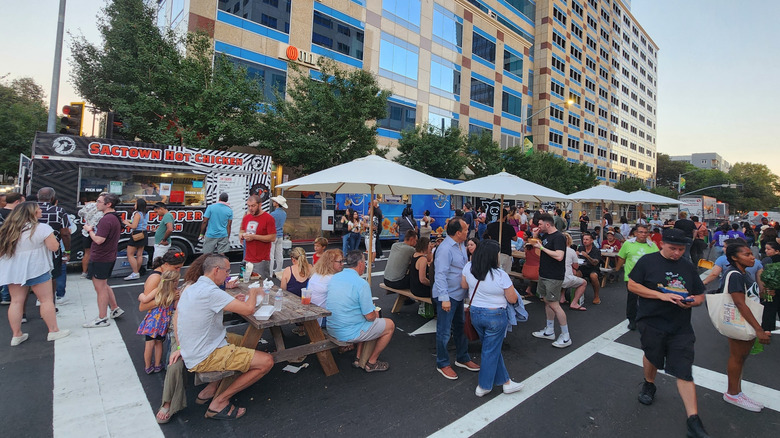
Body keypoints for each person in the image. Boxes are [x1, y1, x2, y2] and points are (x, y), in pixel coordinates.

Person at [627, 228, 709, 438]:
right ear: (662, 244)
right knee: (652, 355)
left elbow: (700, 296)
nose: (677, 253)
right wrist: (659, 296)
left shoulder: (687, 266)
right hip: (651, 321)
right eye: (673, 248)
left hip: (680, 326)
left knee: (684, 368)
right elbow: (633, 285)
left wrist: (690, 302)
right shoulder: (648, 261)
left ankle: (693, 421)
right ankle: (649, 384)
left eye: (681, 249)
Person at [177, 254, 274, 420]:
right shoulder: (211, 292)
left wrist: (232, 300)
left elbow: (208, 308)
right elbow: (249, 309)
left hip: (191, 348)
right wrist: (253, 292)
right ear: (216, 270)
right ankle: (220, 402)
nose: (228, 275)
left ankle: (212, 388)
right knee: (267, 361)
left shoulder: (192, 287)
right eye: (227, 271)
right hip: (205, 355)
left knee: (245, 342)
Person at [0, 202, 70, 346]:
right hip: (37, 267)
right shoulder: (42, 228)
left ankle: (16, 334)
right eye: (37, 208)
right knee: (45, 300)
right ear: (32, 213)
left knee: (16, 301)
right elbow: (54, 247)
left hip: (13, 269)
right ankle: (53, 331)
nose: (40, 210)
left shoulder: (7, 228)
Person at [461, 239, 524, 397]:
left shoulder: (468, 267)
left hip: (475, 313)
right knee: (490, 350)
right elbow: (512, 299)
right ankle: (484, 385)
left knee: (491, 348)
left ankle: (506, 382)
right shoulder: (500, 274)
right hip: (495, 315)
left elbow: (463, 286)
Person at [151, 253, 208, 423]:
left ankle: (214, 387)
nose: (227, 274)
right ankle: (168, 403)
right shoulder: (188, 288)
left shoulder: (212, 286)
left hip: (204, 331)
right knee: (175, 363)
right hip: (184, 330)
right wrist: (180, 346)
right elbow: (177, 320)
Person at [719, 241, 771, 412]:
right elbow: (740, 304)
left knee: (741, 358)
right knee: (737, 357)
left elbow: (752, 295)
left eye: (751, 253)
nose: (752, 257)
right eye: (747, 254)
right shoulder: (735, 275)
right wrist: (759, 329)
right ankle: (732, 394)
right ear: (734, 257)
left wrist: (766, 291)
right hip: (740, 322)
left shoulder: (744, 273)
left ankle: (737, 392)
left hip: (746, 321)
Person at [326, 250, 396, 372]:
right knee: (389, 325)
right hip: (348, 331)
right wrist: (375, 313)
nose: (365, 264)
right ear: (360, 264)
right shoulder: (361, 284)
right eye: (364, 262)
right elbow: (370, 316)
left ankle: (359, 357)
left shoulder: (334, 278)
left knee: (366, 321)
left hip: (332, 326)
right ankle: (372, 362)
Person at [433, 217, 480, 379]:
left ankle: (462, 357)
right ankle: (443, 363)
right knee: (444, 331)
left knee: (460, 327)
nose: (469, 231)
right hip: (447, 295)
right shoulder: (445, 249)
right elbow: (440, 275)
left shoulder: (461, 244)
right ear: (458, 232)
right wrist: (444, 298)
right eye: (466, 229)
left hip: (458, 294)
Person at [82, 193, 125, 328]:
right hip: (108, 256)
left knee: (100, 288)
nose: (96, 204)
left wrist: (90, 230)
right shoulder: (114, 217)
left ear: (108, 204)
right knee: (104, 284)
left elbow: (99, 240)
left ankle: (102, 318)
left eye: (99, 201)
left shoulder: (106, 220)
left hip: (101, 257)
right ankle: (114, 308)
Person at [531, 213, 572, 348]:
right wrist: (536, 237)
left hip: (554, 276)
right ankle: (549, 330)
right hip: (544, 273)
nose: (539, 226)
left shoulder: (559, 237)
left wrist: (542, 247)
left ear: (547, 224)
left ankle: (566, 336)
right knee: (547, 301)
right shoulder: (546, 236)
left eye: (540, 224)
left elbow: (559, 256)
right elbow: (539, 251)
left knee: (554, 304)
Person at [614, 224, 659, 330]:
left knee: (647, 298)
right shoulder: (628, 244)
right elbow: (621, 257)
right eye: (640, 232)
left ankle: (646, 318)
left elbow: (658, 261)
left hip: (648, 277)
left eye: (645, 232)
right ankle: (632, 319)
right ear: (635, 233)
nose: (643, 234)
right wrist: (617, 270)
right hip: (631, 277)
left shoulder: (652, 246)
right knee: (632, 299)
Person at [137, 269, 180, 374]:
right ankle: (157, 365)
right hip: (163, 322)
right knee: (159, 343)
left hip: (152, 321)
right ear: (175, 282)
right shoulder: (176, 293)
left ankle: (148, 366)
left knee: (149, 344)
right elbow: (175, 307)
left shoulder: (158, 290)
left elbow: (145, 299)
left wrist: (141, 295)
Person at [37, 187, 71, 305]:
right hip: (53, 249)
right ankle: (50, 303)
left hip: (29, 249)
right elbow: (65, 233)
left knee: (29, 278)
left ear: (38, 197)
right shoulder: (59, 211)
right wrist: (67, 251)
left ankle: (26, 311)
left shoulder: (27, 209)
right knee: (52, 275)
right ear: (52, 198)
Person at [239, 195, 276, 279]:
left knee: (262, 285)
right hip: (247, 258)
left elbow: (272, 237)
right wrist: (241, 235)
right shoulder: (246, 218)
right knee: (245, 283)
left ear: (260, 205)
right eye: (248, 206)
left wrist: (254, 237)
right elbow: (241, 230)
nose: (250, 208)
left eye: (253, 206)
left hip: (261, 260)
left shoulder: (268, 218)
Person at [0, 192, 24, 305]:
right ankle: (6, 295)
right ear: (17, 202)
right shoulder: (16, 216)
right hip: (11, 246)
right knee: (8, 269)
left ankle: (4, 295)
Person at [308, 249, 344, 326]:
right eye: (340, 261)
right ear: (330, 262)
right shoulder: (332, 279)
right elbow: (341, 301)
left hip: (312, 312)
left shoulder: (316, 274)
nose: (342, 264)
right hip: (322, 317)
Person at [484, 208, 518, 273]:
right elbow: (515, 239)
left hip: (493, 251)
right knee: (504, 273)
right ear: (505, 216)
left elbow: (489, 237)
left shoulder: (490, 226)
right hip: (505, 252)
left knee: (493, 272)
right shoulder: (509, 227)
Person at [77, 196, 103, 277]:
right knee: (97, 253)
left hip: (86, 231)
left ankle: (84, 272)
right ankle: (95, 272)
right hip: (97, 233)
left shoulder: (90, 205)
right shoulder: (104, 209)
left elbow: (80, 213)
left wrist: (87, 210)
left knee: (87, 253)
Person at [123, 198, 148, 280]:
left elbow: (134, 226)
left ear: (139, 205)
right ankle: (137, 272)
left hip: (136, 234)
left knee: (130, 254)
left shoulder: (137, 214)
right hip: (144, 234)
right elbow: (138, 222)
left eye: (135, 204)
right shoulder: (145, 213)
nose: (134, 205)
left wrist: (126, 223)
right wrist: (131, 221)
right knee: (139, 254)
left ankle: (135, 272)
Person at [561, 233, 587, 311]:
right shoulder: (571, 251)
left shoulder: (554, 249)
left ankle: (562, 297)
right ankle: (574, 302)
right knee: (583, 282)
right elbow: (576, 266)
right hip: (565, 278)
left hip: (554, 277)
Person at [576, 233, 603, 305]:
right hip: (582, 267)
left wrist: (587, 256)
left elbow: (595, 263)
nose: (585, 241)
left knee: (593, 276)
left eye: (587, 239)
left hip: (593, 268)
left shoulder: (596, 250)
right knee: (575, 274)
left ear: (591, 241)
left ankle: (596, 296)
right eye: (584, 239)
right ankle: (577, 296)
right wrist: (575, 255)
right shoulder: (581, 248)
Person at [269, 195, 287, 275]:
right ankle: (278, 271)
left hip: (273, 235)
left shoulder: (273, 214)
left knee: (271, 255)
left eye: (274, 201)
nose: (273, 202)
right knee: (279, 254)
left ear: (277, 203)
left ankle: (270, 272)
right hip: (280, 235)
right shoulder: (284, 213)